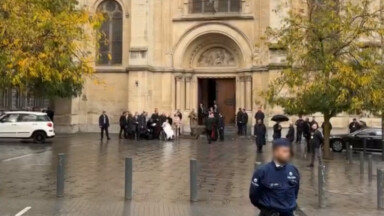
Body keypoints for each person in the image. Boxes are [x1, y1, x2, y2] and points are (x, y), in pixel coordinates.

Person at [249, 139, 300, 216]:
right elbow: (254, 196)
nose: (287, 154)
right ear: (275, 152)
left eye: (288, 151)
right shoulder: (262, 171)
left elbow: (295, 192)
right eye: (284, 151)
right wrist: (266, 208)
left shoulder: (293, 170)